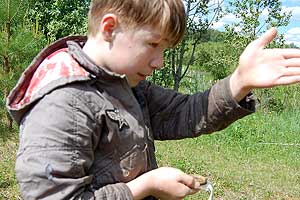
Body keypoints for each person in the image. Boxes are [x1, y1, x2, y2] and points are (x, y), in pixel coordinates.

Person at [6, 0, 300, 199]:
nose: (159, 61)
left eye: (165, 49)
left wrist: (239, 82)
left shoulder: (124, 82)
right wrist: (144, 186)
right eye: (153, 44)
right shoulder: (64, 102)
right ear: (110, 28)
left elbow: (183, 113)